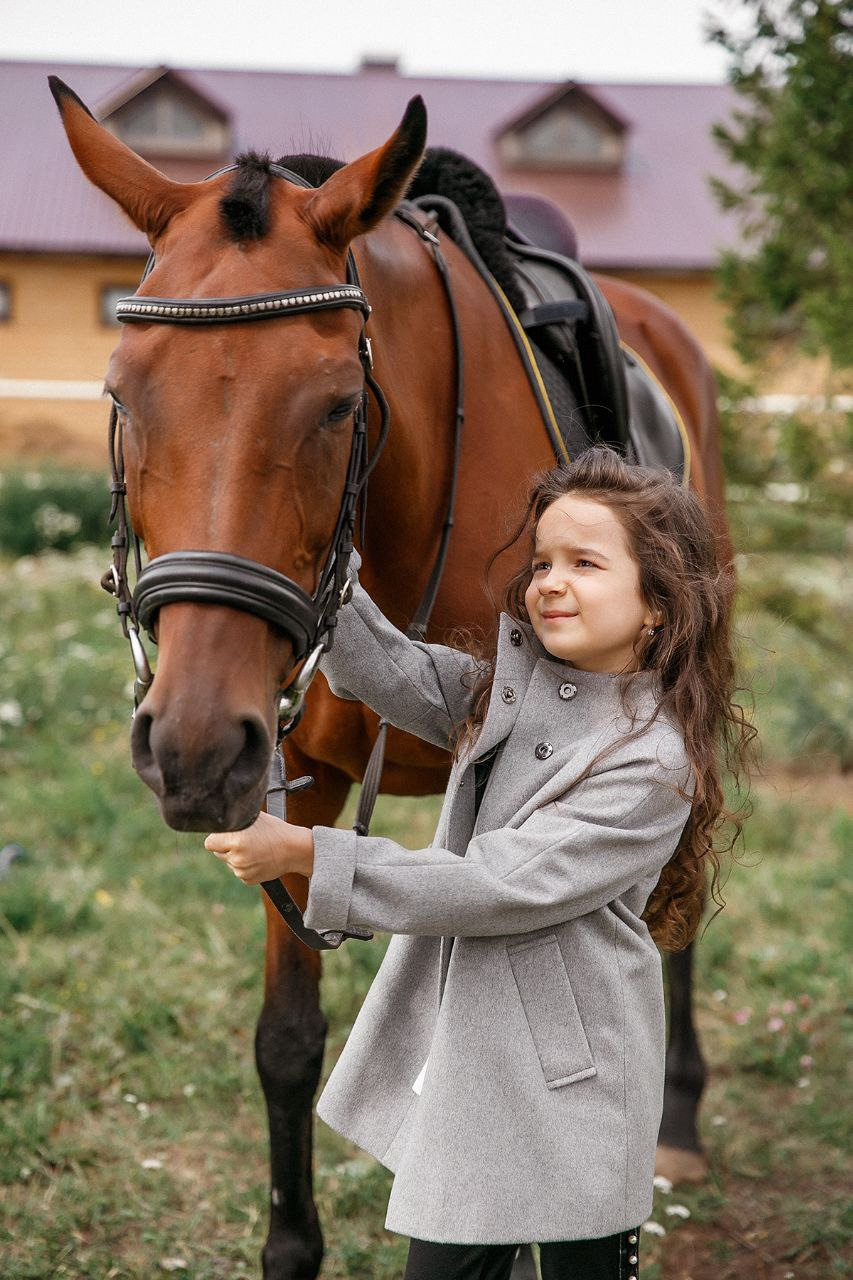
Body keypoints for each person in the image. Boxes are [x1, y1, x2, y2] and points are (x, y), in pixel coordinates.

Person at [205, 446, 755, 1280]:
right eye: (540, 562)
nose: (549, 582)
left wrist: (311, 853)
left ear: (655, 604)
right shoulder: (508, 692)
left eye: (583, 563)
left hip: (579, 1081)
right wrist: (313, 549)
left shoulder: (653, 760)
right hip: (476, 1069)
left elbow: (498, 883)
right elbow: (387, 668)